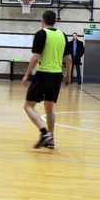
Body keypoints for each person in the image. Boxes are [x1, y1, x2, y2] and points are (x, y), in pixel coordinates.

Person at [22, 10, 72, 149]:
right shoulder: (62, 35)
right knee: (49, 108)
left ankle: (45, 133)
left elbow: (36, 57)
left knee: (28, 106)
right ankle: (51, 140)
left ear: (42, 20)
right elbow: (68, 59)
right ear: (54, 21)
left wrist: (26, 75)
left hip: (44, 74)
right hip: (57, 75)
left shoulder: (41, 34)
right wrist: (68, 75)